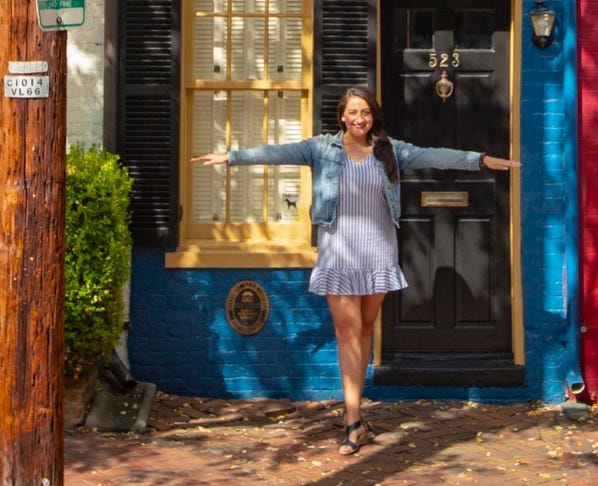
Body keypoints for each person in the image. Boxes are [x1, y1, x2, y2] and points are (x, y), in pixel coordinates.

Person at [193, 83, 518, 453]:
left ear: (372, 115)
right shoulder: (321, 149)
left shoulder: (388, 151)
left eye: (365, 112)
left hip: (378, 249)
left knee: (364, 328)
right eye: (353, 112)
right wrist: (231, 157)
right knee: (347, 331)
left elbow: (433, 156)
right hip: (339, 250)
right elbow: (276, 152)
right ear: (342, 116)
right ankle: (351, 419)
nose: (359, 118)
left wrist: (480, 160)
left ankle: (358, 418)